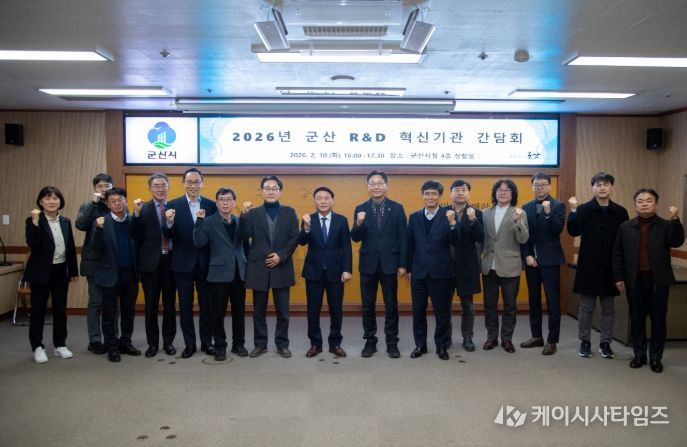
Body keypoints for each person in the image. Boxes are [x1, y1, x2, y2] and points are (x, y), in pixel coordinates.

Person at [613, 189, 684, 373]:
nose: (644, 204)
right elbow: (618, 254)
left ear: (656, 204)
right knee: (637, 319)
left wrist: (676, 220)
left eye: (649, 200)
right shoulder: (626, 227)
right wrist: (618, 277)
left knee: (658, 320)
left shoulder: (666, 225)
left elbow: (677, 241)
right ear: (635, 205)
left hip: (658, 280)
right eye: (640, 201)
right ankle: (639, 355)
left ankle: (655, 357)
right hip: (634, 280)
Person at [568, 172, 629, 359]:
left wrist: (621, 271)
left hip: (611, 267)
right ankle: (585, 341)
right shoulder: (584, 209)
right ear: (592, 188)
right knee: (587, 307)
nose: (602, 188)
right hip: (589, 265)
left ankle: (605, 343)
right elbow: (573, 231)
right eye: (598, 184)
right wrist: (573, 211)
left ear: (611, 187)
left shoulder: (620, 212)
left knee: (609, 308)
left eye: (606, 184)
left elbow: (624, 241)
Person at [237, 176, 299, 358]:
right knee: (258, 311)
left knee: (283, 312)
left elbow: (294, 237)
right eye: (267, 188)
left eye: (274, 188)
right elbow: (243, 235)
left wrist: (282, 255)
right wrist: (244, 215)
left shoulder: (289, 212)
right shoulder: (253, 213)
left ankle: (282, 344)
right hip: (259, 267)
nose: (271, 191)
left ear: (280, 191)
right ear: (262, 191)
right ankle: (260, 344)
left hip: (281, 266)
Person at [350, 171, 407, 358]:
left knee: (391, 305)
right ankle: (370, 341)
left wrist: (403, 264)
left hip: (390, 263)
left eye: (379, 183)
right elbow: (355, 237)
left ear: (386, 186)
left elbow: (403, 238)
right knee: (368, 305)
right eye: (372, 183)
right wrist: (358, 223)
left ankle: (392, 342)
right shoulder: (360, 208)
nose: (376, 186)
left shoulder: (397, 208)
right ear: (368, 187)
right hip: (368, 264)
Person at [164, 168, 217, 358]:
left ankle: (207, 343)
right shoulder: (173, 204)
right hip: (182, 264)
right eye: (189, 182)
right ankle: (189, 344)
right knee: (185, 307)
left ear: (202, 183)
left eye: (197, 182)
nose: (193, 185)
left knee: (207, 306)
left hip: (205, 263)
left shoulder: (211, 205)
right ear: (183, 183)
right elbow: (167, 234)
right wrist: (169, 222)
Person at [23, 186, 78, 364]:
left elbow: (70, 247)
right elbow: (32, 242)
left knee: (60, 310)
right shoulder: (33, 220)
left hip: (60, 271)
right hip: (41, 272)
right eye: (47, 198)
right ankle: (37, 347)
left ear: (60, 201)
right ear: (41, 201)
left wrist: (73, 270)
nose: (52, 201)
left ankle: (60, 344)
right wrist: (35, 221)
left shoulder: (65, 221)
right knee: (38, 311)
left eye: (55, 198)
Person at [193, 187, 248, 361]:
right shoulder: (208, 221)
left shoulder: (239, 220)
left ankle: (238, 344)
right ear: (216, 203)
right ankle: (220, 346)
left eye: (228, 199)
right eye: (222, 200)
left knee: (239, 312)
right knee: (217, 313)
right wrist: (199, 222)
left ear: (234, 202)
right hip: (218, 274)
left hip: (239, 273)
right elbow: (199, 242)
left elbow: (245, 244)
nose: (225, 203)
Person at [298, 186, 352, 358]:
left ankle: (335, 344)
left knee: (336, 310)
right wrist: (306, 227)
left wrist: (347, 269)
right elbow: (302, 241)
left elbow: (347, 247)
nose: (323, 201)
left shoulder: (341, 220)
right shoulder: (308, 219)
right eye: (319, 198)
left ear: (332, 201)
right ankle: (315, 344)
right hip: (313, 272)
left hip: (336, 272)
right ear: (315, 201)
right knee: (313, 310)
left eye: (326, 198)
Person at [407, 180, 459, 360]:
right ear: (423, 195)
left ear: (440, 196)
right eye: (427, 193)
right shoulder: (414, 217)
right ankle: (420, 345)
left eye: (434, 194)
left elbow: (456, 241)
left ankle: (441, 346)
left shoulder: (449, 215)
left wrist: (453, 224)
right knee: (418, 312)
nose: (430, 197)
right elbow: (410, 245)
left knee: (442, 313)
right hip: (419, 272)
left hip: (441, 272)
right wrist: (408, 269)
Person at [91, 187, 141, 362]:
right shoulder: (101, 222)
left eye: (120, 200)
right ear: (108, 204)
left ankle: (125, 342)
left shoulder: (133, 220)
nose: (117, 204)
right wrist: (98, 229)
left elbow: (140, 240)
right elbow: (95, 247)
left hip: (130, 274)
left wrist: (137, 214)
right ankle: (112, 347)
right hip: (110, 275)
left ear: (126, 201)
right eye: (113, 201)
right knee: (109, 314)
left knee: (129, 312)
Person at [520, 173, 566, 355]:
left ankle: (552, 340)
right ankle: (536, 336)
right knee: (534, 301)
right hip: (532, 261)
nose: (540, 188)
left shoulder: (558, 205)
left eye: (543, 184)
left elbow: (557, 229)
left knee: (553, 302)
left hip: (550, 260)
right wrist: (526, 255)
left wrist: (548, 214)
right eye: (536, 185)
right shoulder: (526, 207)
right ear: (532, 187)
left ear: (549, 186)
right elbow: (523, 235)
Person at [131, 173, 177, 358]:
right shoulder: (142, 208)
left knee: (170, 305)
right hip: (150, 264)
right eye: (156, 186)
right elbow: (135, 235)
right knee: (151, 306)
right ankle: (152, 344)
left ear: (168, 187)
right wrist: (135, 214)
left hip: (171, 262)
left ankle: (168, 342)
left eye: (163, 185)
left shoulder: (175, 207)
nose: (160, 189)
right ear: (149, 188)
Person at [481, 179, 529, 353]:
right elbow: (482, 240)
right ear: (494, 193)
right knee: (490, 305)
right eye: (499, 190)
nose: (502, 193)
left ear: (512, 194)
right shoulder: (485, 213)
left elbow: (523, 239)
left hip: (510, 266)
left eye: (507, 190)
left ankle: (507, 339)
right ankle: (491, 337)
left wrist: (518, 222)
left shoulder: (519, 213)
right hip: (489, 266)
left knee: (510, 305)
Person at [75, 173, 113, 355]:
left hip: (113, 261)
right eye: (100, 186)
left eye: (107, 185)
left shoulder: (116, 205)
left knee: (112, 304)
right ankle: (95, 340)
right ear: (95, 188)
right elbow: (80, 224)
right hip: (94, 262)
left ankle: (112, 338)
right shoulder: (88, 206)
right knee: (96, 302)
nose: (103, 189)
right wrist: (93, 203)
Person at [445, 179, 484, 352]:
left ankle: (467, 337)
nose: (460, 193)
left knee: (467, 305)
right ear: (451, 193)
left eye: (463, 190)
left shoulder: (476, 213)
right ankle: (445, 337)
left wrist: (473, 220)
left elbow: (480, 237)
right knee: (444, 305)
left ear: (469, 193)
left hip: (467, 266)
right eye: (456, 190)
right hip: (445, 265)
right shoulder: (443, 212)